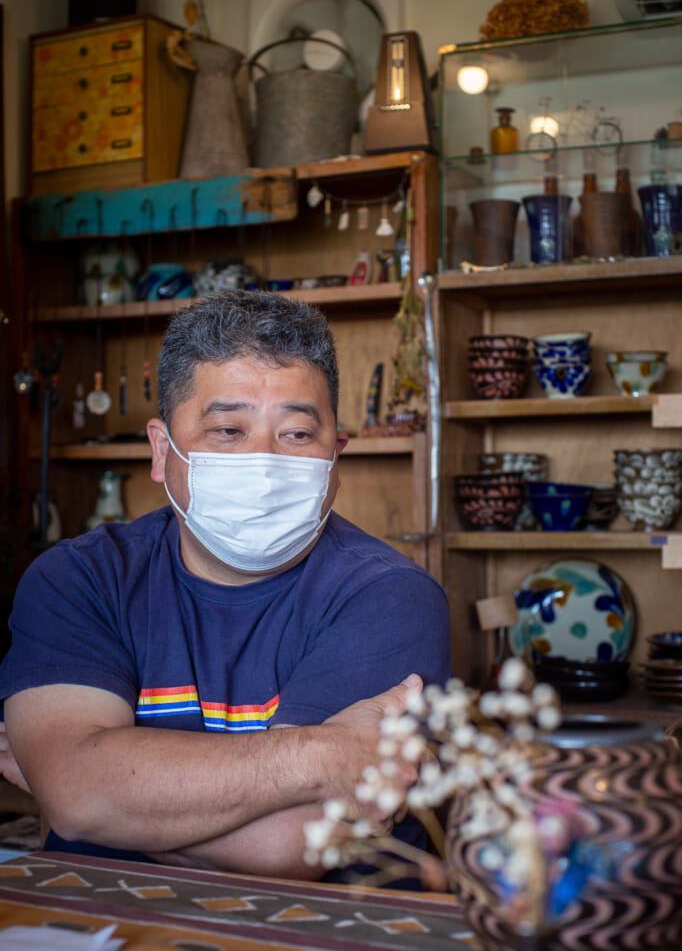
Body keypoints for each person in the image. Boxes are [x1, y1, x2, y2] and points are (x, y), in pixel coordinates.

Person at [0, 290, 451, 879]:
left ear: (335, 456)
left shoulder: (392, 596)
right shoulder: (80, 579)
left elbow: (287, 849)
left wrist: (100, 803)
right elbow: (78, 794)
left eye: (295, 435)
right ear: (163, 451)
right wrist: (321, 752)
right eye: (227, 431)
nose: (264, 463)